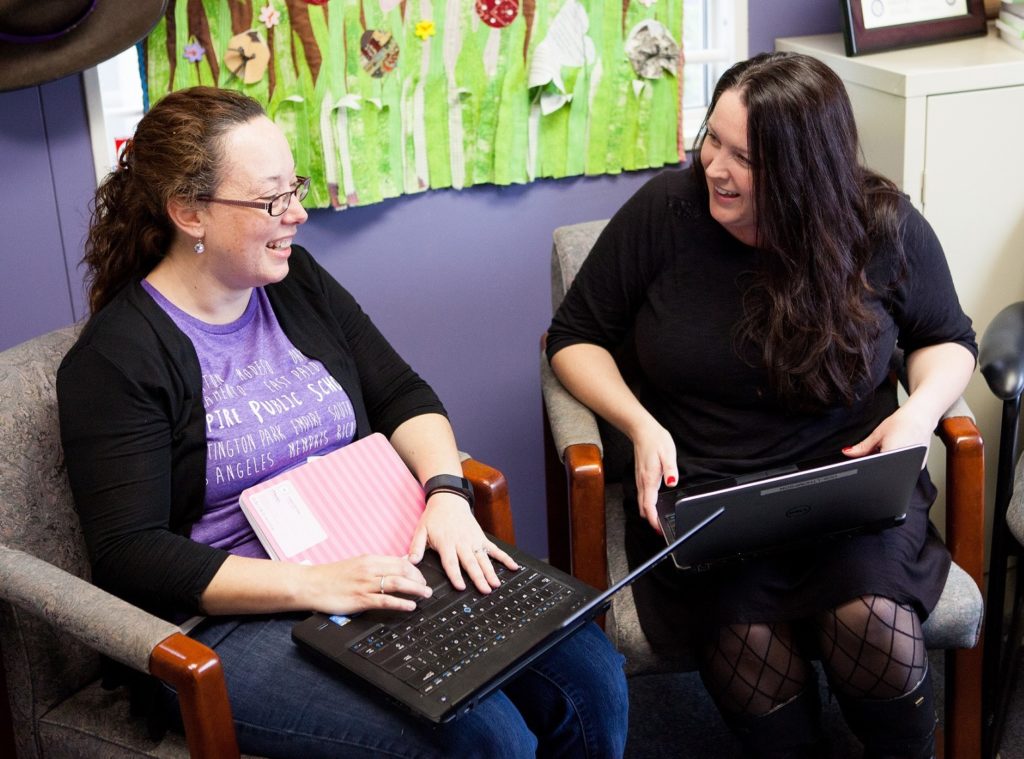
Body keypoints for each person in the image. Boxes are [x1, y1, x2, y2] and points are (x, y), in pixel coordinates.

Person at [57, 86, 628, 758]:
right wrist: (312, 584)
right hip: (227, 620)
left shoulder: (293, 282)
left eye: (293, 185)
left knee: (592, 675)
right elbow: (132, 550)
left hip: (372, 558)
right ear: (189, 212)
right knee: (482, 737)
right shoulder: (117, 358)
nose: (297, 213)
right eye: (272, 199)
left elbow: (403, 394)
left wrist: (446, 492)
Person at [546, 52, 976, 759]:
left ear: (805, 167)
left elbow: (947, 338)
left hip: (850, 486)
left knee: (868, 621)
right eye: (712, 139)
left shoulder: (880, 223)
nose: (715, 166)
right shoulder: (666, 212)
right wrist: (639, 423)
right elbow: (573, 338)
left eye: (744, 157)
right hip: (712, 491)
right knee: (744, 641)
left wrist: (919, 412)